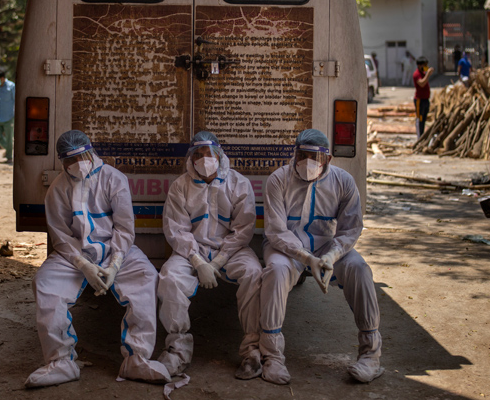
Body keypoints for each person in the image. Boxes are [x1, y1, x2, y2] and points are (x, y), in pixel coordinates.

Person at [26, 130, 170, 388]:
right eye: (72, 160)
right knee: (46, 284)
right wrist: (83, 265)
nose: (79, 163)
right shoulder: (57, 189)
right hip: (73, 256)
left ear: (91, 153)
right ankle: (61, 361)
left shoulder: (114, 179)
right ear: (62, 162)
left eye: (83, 156)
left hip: (115, 250)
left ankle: (137, 359)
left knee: (145, 276)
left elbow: (124, 229)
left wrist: (115, 264)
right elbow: (60, 236)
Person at [259, 130, 382, 385]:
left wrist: (332, 255)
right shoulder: (277, 180)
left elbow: (351, 229)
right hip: (287, 248)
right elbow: (276, 230)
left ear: (328, 159)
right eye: (302, 155)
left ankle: (371, 356)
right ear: (295, 154)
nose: (307, 162)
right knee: (276, 271)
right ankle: (271, 357)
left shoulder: (344, 181)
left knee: (359, 268)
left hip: (328, 246)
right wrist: (306, 258)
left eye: (314, 156)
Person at [156, 131, 262, 380]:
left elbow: (243, 230)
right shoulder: (180, 186)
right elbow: (177, 230)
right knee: (170, 277)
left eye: (210, 154)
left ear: (220, 155)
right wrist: (197, 261)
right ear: (191, 159)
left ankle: (252, 351)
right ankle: (177, 350)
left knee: (254, 274)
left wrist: (217, 262)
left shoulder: (238, 183)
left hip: (232, 250)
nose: (205, 159)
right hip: (191, 251)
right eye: (199, 155)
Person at [413, 56, 433, 139]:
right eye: (424, 65)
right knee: (419, 119)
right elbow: (422, 83)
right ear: (419, 65)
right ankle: (419, 137)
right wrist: (428, 74)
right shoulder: (417, 74)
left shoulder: (423, 74)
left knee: (424, 119)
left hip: (425, 99)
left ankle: (422, 135)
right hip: (419, 100)